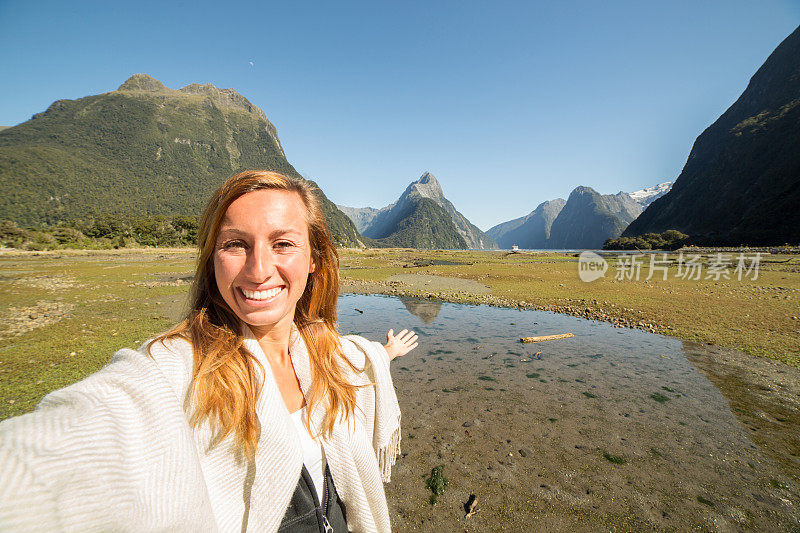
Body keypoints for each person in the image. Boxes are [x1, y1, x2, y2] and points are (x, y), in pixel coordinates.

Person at [0, 170, 418, 532]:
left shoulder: (321, 350)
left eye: (283, 243)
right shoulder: (177, 370)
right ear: (212, 259)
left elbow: (356, 356)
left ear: (314, 258)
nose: (258, 269)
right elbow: (49, 456)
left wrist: (385, 353)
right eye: (235, 244)